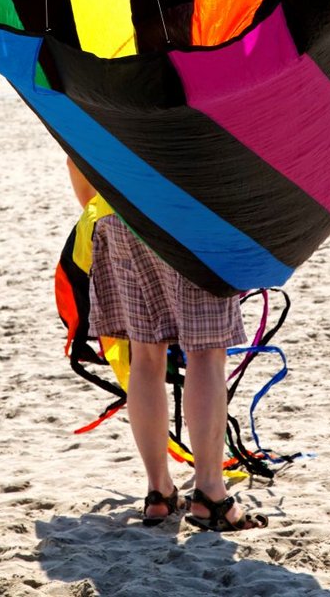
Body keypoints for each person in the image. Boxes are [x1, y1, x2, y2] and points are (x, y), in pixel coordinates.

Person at [65, 157, 268, 532]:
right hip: (189, 213)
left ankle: (158, 492)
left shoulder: (100, 94)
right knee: (206, 355)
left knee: (144, 356)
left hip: (117, 215)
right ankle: (209, 493)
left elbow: (75, 156)